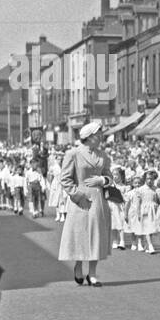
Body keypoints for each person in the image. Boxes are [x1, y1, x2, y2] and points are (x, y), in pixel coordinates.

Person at [58, 121, 112, 287]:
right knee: (80, 234)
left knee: (96, 235)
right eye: (98, 134)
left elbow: (109, 176)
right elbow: (65, 179)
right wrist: (77, 195)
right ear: (89, 137)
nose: (101, 137)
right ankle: (79, 266)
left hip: (98, 200)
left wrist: (102, 179)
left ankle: (93, 273)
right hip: (80, 201)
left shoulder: (103, 155)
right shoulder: (73, 154)